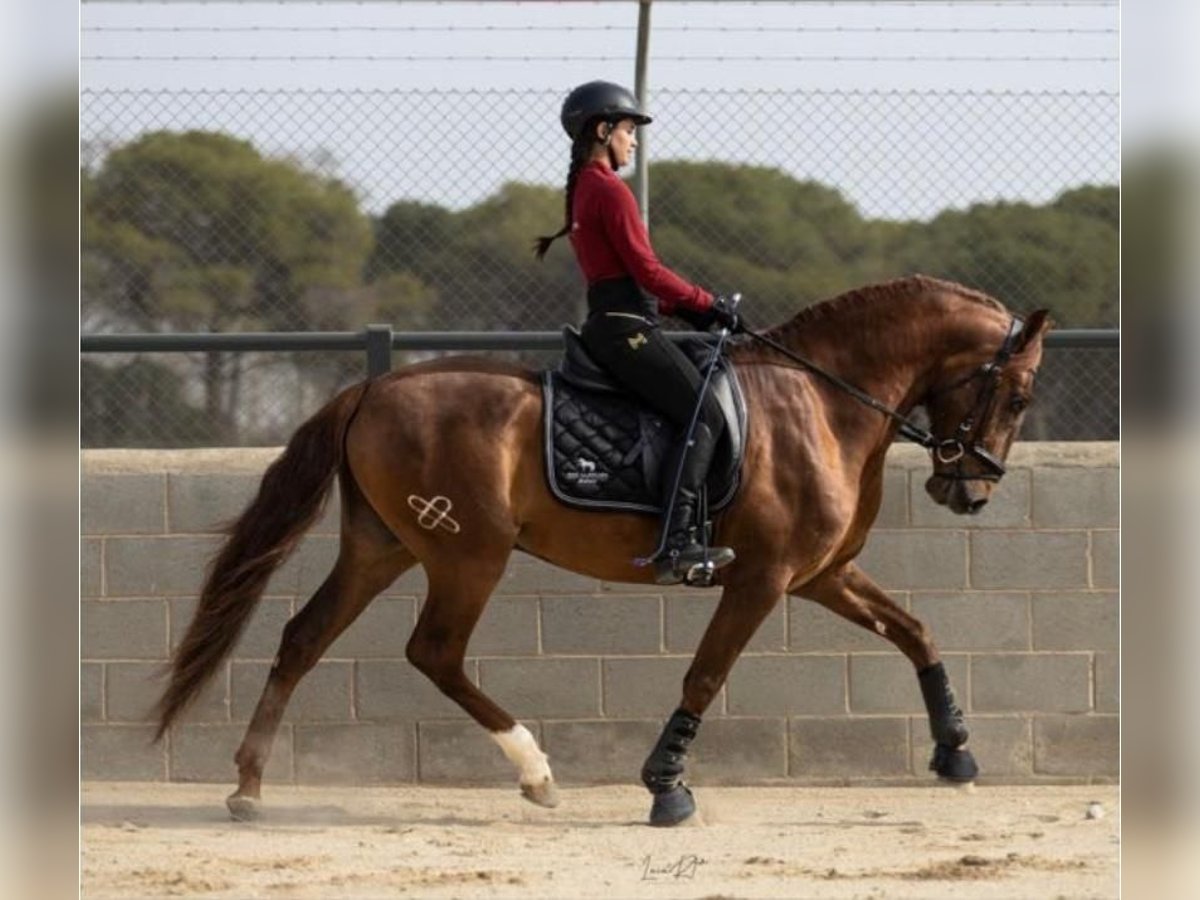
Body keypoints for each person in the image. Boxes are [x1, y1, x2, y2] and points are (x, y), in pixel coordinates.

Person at [534, 80, 741, 584]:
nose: (634, 141)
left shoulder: (585, 188)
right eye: (628, 130)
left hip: (615, 322)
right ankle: (677, 542)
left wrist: (686, 310)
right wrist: (707, 302)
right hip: (625, 330)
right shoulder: (609, 190)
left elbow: (625, 280)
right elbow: (647, 271)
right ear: (603, 130)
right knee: (705, 414)